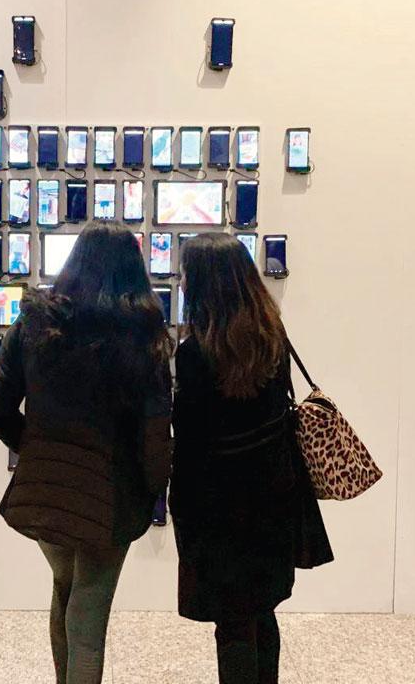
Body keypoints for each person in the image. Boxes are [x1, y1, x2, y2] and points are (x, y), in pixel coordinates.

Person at [0, 220, 173, 684]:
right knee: (88, 620)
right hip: (111, 497)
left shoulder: (35, 323)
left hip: (48, 491)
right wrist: (153, 493)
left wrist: (36, 449)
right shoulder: (143, 335)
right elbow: (155, 429)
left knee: (65, 588)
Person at [170, 233, 332, 684]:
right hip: (276, 497)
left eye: (186, 275)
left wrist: (176, 506)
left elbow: (190, 443)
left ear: (204, 284)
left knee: (234, 624)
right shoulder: (272, 337)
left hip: (221, 508)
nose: (181, 283)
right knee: (262, 612)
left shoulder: (195, 355)